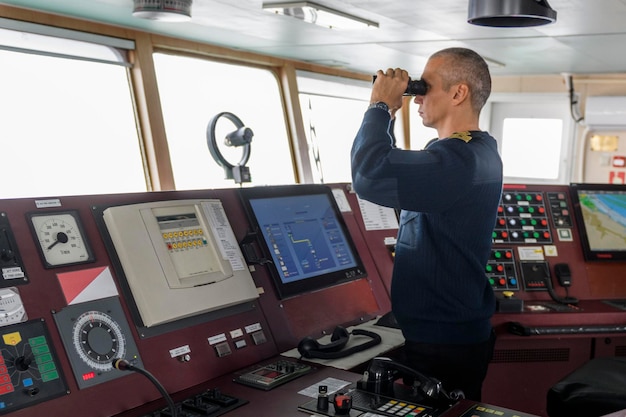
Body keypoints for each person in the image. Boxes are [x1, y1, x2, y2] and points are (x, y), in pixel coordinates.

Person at [350, 47, 503, 401]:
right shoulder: (466, 152)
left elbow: (370, 172)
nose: (416, 98)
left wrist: (380, 107)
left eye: (424, 87)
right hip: (446, 333)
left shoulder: (461, 159)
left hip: (443, 341)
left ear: (458, 93)